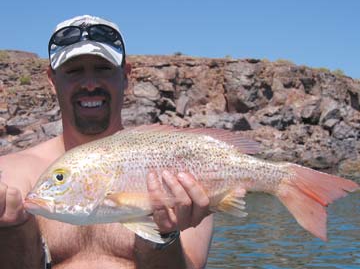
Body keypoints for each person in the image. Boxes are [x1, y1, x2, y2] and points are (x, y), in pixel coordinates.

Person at [0, 15, 213, 269]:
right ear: (52, 80)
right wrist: (12, 229)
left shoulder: (183, 169)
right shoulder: (10, 176)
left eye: (103, 69)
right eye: (74, 71)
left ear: (125, 75)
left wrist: (164, 235)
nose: (90, 84)